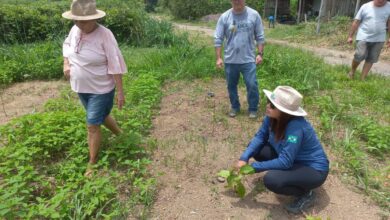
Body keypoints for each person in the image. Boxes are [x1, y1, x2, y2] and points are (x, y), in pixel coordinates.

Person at [237, 86, 329, 214]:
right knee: (256, 149)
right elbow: (259, 137)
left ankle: (306, 194)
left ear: (284, 112)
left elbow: (285, 161)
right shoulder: (271, 118)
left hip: (312, 168)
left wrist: (253, 167)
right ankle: (289, 176)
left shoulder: (296, 128)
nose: (268, 106)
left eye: (273, 106)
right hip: (291, 158)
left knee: (272, 180)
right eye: (269, 102)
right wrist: (244, 157)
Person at [62, 0, 127, 176]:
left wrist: (120, 92)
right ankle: (120, 134)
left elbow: (115, 64)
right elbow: (67, 45)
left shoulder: (105, 35)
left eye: (83, 21)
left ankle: (92, 162)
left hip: (101, 89)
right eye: (76, 20)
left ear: (94, 18)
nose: (79, 24)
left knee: (92, 124)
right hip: (81, 87)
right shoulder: (75, 29)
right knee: (100, 116)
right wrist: (66, 63)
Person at [214, 0, 265, 119]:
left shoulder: (254, 15)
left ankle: (253, 108)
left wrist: (260, 54)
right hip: (231, 60)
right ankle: (235, 106)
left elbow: (260, 36)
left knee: (252, 84)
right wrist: (219, 58)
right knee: (231, 85)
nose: (237, 1)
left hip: (248, 59)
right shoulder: (225, 17)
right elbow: (218, 38)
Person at [347, 0, 390, 80]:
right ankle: (352, 71)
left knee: (371, 58)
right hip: (363, 36)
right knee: (359, 55)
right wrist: (350, 36)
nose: (380, 2)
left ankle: (362, 78)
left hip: (379, 38)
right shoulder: (365, 6)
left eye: (383, 0)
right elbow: (356, 22)